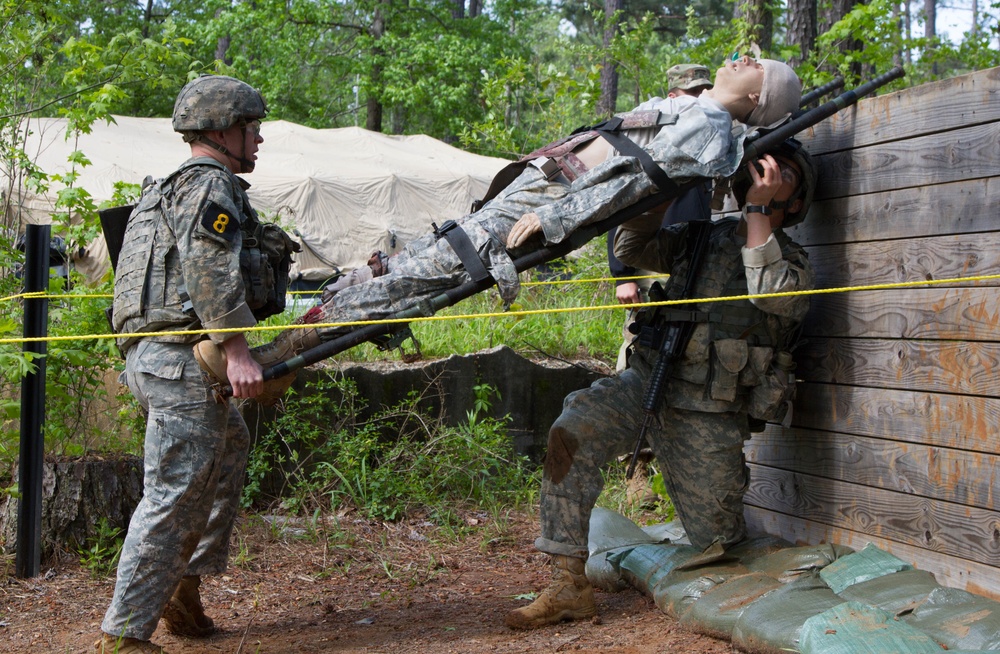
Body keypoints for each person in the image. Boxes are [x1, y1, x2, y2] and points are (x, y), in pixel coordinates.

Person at [194, 56, 802, 392]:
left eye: (757, 66)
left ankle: (277, 358)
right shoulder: (695, 110)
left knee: (408, 282)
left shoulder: (711, 131)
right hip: (539, 189)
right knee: (399, 265)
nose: (742, 57)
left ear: (757, 100)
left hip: (547, 203)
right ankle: (275, 354)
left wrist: (552, 215)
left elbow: (631, 183)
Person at [503, 138, 817, 630]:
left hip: (706, 413)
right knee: (572, 429)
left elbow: (773, 294)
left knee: (717, 542)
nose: (765, 175)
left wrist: (757, 207)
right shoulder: (703, 238)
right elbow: (632, 248)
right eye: (758, 169)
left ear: (796, 201)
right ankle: (569, 585)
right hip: (650, 381)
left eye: (781, 174)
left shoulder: (793, 263)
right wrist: (660, 187)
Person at [97, 75, 271, 654]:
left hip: (158, 357)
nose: (259, 139)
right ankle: (123, 636)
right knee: (172, 492)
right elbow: (206, 265)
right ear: (222, 130)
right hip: (182, 358)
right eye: (251, 129)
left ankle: (181, 589)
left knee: (228, 452)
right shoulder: (208, 186)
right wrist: (238, 349)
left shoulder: (167, 187)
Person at [607, 63, 714, 507]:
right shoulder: (653, 131)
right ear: (673, 95)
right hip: (650, 260)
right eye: (692, 91)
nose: (699, 97)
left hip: (693, 258)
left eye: (703, 90)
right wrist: (623, 275)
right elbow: (616, 202)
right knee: (637, 359)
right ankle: (635, 468)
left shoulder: (712, 130)